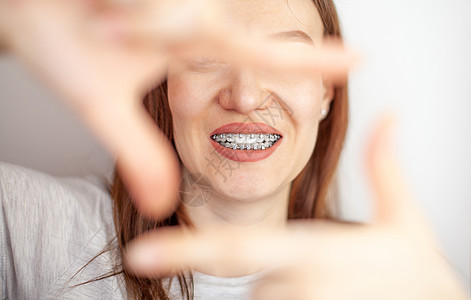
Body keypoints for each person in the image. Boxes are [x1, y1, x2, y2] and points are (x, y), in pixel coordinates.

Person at [0, 0, 468, 299]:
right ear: (163, 85)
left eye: (286, 59)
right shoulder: (26, 228)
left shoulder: (388, 280)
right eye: (206, 58)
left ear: (326, 93)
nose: (244, 97)